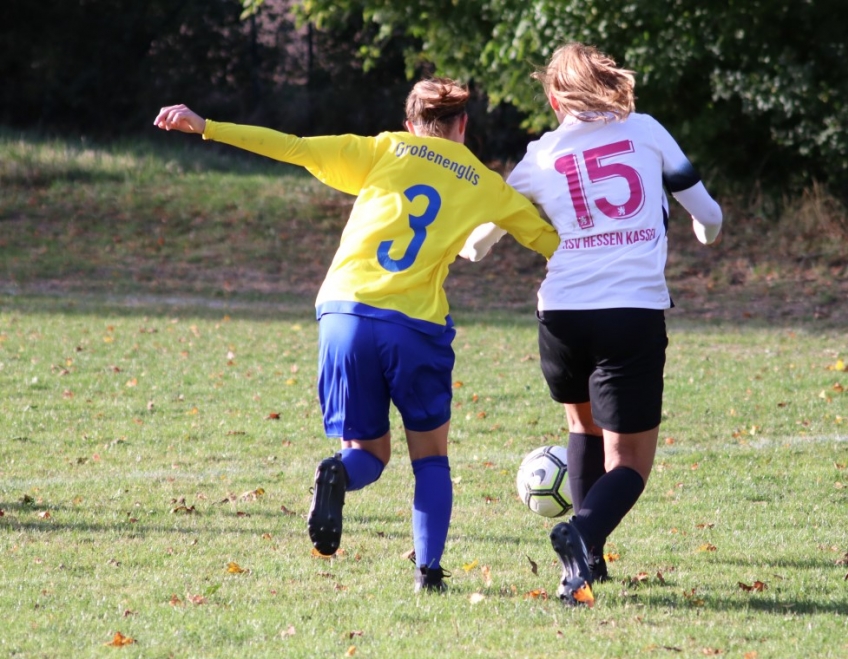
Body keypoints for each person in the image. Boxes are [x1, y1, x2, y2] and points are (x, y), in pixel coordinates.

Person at [153, 78, 560, 593]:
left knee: (367, 453)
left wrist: (207, 127)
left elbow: (292, 147)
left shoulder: (385, 148)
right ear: (463, 125)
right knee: (430, 459)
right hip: (413, 324)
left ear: (410, 124)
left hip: (342, 312)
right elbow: (546, 239)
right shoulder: (483, 181)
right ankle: (428, 573)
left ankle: (339, 473)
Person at [461, 43, 723, 606]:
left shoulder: (541, 153)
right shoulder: (646, 130)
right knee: (630, 463)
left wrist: (463, 243)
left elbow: (479, 245)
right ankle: (581, 534)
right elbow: (708, 215)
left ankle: (588, 567)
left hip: (560, 315)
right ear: (609, 83)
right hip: (629, 312)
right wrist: (704, 234)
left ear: (556, 101)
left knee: (583, 430)